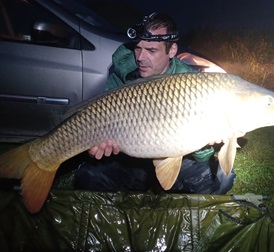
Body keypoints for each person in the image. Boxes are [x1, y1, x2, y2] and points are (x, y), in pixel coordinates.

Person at [75, 12, 236, 194]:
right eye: (138, 48)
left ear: (172, 51)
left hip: (178, 159)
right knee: (87, 176)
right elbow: (96, 126)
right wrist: (96, 146)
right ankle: (144, 187)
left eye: (151, 51)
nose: (141, 57)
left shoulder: (191, 83)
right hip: (132, 160)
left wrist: (207, 142)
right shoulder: (122, 74)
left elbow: (201, 156)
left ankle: (161, 188)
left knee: (223, 178)